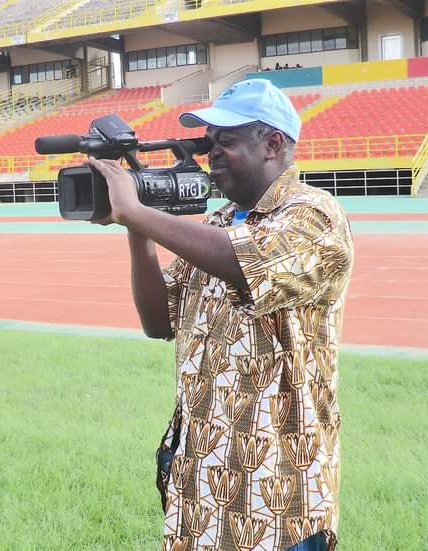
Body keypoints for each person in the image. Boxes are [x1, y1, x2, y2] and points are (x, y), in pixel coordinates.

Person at [87, 79, 353, 551]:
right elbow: (157, 321)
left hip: (279, 500)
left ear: (273, 144)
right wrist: (137, 227)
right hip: (201, 489)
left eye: (226, 140)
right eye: (209, 142)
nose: (212, 152)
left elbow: (244, 263)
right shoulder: (215, 222)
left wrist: (140, 214)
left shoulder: (315, 216)